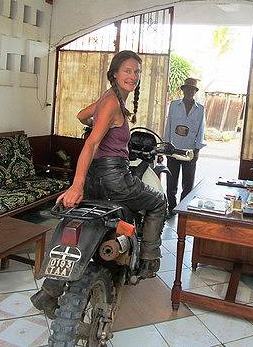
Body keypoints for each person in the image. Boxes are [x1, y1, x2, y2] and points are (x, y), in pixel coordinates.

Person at [31, 50, 166, 318]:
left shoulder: (109, 99)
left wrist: (98, 114)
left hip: (97, 179)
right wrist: (76, 185)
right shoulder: (112, 103)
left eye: (137, 72)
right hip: (114, 177)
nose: (133, 76)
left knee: (91, 221)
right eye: (127, 70)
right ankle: (149, 261)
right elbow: (91, 142)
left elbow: (82, 115)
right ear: (115, 72)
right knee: (158, 202)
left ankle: (50, 291)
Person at [164, 77, 206, 216]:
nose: (189, 91)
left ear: (195, 91)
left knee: (188, 185)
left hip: (190, 152)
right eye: (187, 88)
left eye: (192, 89)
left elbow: (201, 130)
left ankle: (182, 208)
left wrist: (197, 150)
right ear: (183, 90)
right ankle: (172, 207)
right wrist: (166, 145)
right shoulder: (174, 105)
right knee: (171, 183)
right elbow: (168, 125)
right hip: (173, 150)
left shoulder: (200, 109)